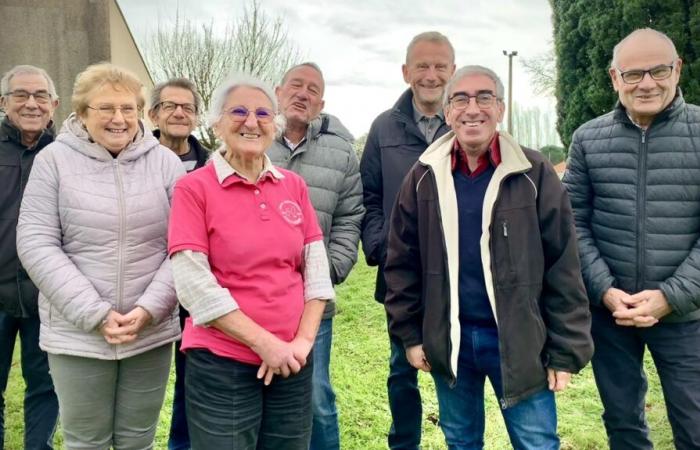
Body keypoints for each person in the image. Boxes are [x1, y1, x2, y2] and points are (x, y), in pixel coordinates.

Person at [384, 65, 594, 449]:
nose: (472, 108)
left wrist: (566, 351)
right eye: (460, 99)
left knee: (537, 443)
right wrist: (410, 336)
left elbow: (564, 264)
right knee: (462, 442)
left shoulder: (534, 172)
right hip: (452, 342)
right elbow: (401, 264)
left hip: (520, 341)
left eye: (484, 97)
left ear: (500, 108)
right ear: (447, 112)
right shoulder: (422, 176)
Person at [16, 62, 184, 449]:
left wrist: (150, 309)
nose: (118, 119)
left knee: (137, 440)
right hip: (78, 333)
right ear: (81, 113)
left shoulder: (165, 164)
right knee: (85, 441)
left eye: (128, 108)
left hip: (149, 331)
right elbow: (36, 241)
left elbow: (185, 246)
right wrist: (94, 313)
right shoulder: (54, 161)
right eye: (105, 108)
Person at [168, 74, 334, 450]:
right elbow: (194, 286)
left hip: (292, 360)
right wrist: (265, 344)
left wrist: (302, 344)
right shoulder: (194, 188)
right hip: (222, 362)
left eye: (262, 113)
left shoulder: (293, 185)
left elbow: (316, 271)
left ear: (273, 125)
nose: (251, 121)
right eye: (238, 111)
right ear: (216, 123)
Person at [564, 28, 700, 450]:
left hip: (685, 316)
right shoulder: (588, 139)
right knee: (623, 425)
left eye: (658, 70)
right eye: (633, 73)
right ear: (614, 78)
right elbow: (573, 224)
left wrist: (671, 296)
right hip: (611, 316)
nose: (646, 83)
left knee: (695, 427)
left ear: (677, 69)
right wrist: (605, 291)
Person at [359, 30, 455, 449]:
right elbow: (368, 197)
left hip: (459, 275)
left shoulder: (467, 121)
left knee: (457, 368)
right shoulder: (383, 128)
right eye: (422, 66)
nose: (431, 75)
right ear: (405, 72)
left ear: (452, 70)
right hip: (403, 279)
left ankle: (461, 439)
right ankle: (404, 443)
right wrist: (382, 247)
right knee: (402, 369)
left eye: (440, 66)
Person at [268, 62, 363, 450]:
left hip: (312, 301)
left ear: (321, 102)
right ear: (278, 92)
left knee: (317, 398)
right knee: (261, 393)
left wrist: (332, 269)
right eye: (295, 85)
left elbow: (350, 215)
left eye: (312, 89)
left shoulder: (340, 151)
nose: (302, 94)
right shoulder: (251, 137)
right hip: (257, 298)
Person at [148, 77, 209, 450]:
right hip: (145, 287)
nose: (179, 113)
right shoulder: (132, 158)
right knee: (145, 385)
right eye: (170, 105)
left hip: (194, 293)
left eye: (187, 107)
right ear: (153, 113)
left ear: (197, 117)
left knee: (193, 384)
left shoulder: (210, 167)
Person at [0, 65, 59, 450]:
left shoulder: (67, 155)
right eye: (21, 95)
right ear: (4, 103)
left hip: (48, 297)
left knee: (46, 389)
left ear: (54, 104)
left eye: (40, 96)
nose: (31, 103)